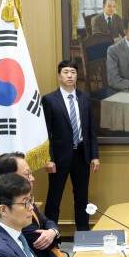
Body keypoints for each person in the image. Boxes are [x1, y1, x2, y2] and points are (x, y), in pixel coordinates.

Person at [42, 59, 99, 231]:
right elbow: (45, 132)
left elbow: (91, 129)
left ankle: (83, 235)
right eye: (65, 72)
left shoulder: (85, 98)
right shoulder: (49, 100)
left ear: (76, 76)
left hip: (81, 155)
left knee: (82, 199)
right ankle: (51, 237)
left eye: (73, 72)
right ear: (59, 76)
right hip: (59, 157)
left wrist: (94, 156)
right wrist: (48, 158)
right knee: (54, 199)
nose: (69, 76)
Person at [0, 152, 65, 257]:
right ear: (10, 179)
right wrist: (51, 233)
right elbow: (40, 240)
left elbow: (46, 221)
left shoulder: (24, 199)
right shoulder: (11, 211)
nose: (32, 178)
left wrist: (53, 231)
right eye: (27, 174)